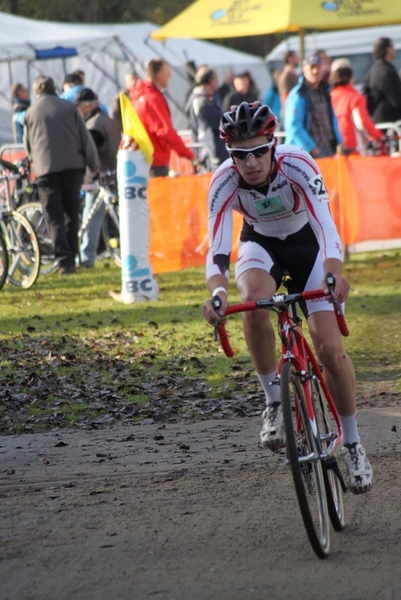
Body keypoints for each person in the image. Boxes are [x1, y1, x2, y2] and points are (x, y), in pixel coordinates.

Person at [202, 101, 373, 495]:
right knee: (254, 303)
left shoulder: (298, 164)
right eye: (240, 155)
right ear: (231, 154)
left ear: (272, 145)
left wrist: (333, 274)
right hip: (260, 244)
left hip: (308, 245)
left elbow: (326, 225)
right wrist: (217, 293)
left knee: (330, 348)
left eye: (259, 151)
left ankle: (351, 443)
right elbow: (216, 250)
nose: (251, 162)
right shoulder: (224, 180)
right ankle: (275, 403)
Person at [24, 75, 99, 275]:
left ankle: (64, 261)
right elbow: (85, 138)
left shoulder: (30, 113)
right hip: (72, 168)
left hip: (45, 171)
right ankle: (72, 257)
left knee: (54, 217)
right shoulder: (69, 107)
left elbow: (28, 146)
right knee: (71, 214)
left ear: (37, 91)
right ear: (53, 88)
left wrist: (36, 162)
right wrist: (94, 164)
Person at [75, 88, 121, 268]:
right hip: (112, 175)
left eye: (78, 107)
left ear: (87, 106)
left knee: (91, 217)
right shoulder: (107, 120)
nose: (77, 111)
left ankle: (87, 258)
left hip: (99, 178)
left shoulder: (93, 125)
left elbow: (90, 151)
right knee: (116, 217)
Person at [130, 58, 195, 178]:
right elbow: (165, 131)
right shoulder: (152, 99)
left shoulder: (140, 96)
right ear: (159, 76)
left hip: (145, 159)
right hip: (155, 161)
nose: (170, 76)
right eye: (167, 73)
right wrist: (189, 155)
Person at [284, 54, 342, 158]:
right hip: (306, 152)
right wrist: (312, 148)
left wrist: (339, 143)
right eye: (311, 68)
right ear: (304, 71)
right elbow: (293, 126)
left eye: (318, 67)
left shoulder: (325, 90)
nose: (315, 71)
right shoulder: (298, 94)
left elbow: (332, 119)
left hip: (328, 148)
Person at [330, 59, 384, 155]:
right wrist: (379, 136)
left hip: (337, 145)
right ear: (350, 78)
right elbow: (362, 122)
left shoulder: (329, 96)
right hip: (355, 146)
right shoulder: (355, 98)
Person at [186, 66, 229, 169]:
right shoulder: (201, 101)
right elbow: (219, 122)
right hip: (210, 151)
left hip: (217, 149)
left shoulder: (212, 97)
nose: (218, 81)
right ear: (210, 81)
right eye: (215, 78)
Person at [363, 37, 401, 124]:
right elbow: (396, 99)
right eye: (392, 47)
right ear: (387, 50)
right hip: (390, 122)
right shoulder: (386, 71)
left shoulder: (372, 70)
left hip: (376, 119)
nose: (394, 50)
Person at [277, 50, 299, 121]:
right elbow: (285, 97)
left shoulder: (294, 76)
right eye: (295, 56)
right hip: (290, 113)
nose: (298, 58)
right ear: (290, 59)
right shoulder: (285, 77)